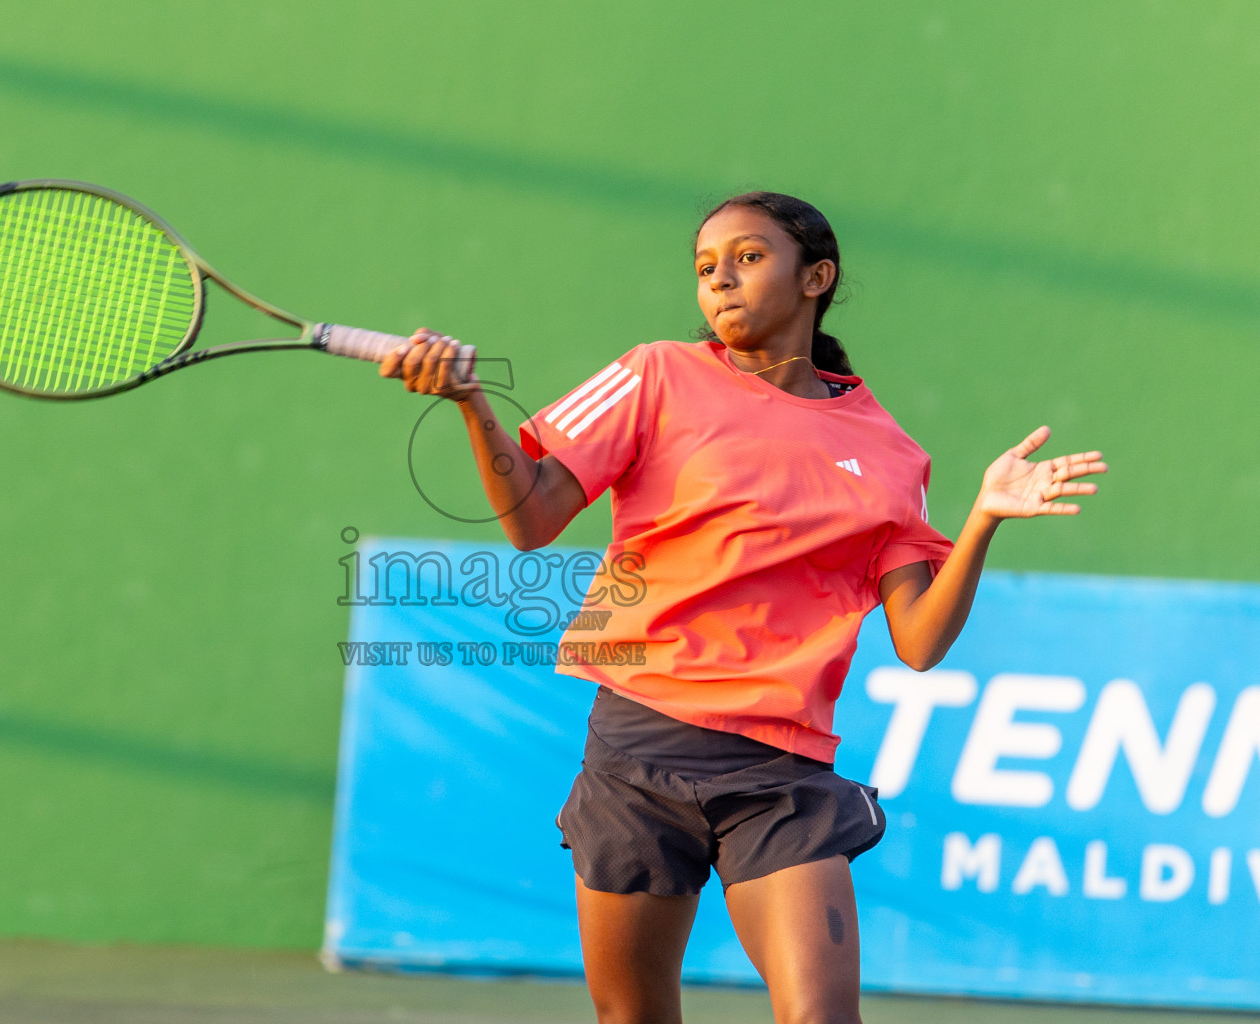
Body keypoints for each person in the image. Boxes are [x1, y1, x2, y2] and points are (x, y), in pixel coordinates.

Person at [379, 191, 1106, 1024]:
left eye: (749, 257)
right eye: (704, 267)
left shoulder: (892, 455)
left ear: (816, 277)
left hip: (779, 776)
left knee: (822, 1017)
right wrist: (472, 405)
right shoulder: (655, 373)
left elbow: (920, 642)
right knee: (634, 1016)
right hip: (638, 749)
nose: (720, 279)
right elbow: (532, 519)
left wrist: (982, 518)